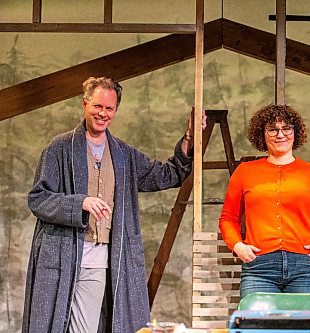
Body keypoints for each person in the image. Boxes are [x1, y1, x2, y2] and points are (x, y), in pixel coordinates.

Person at [22, 77, 206, 333]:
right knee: (49, 324)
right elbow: (38, 198)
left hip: (98, 255)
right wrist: (80, 203)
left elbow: (166, 174)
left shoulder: (122, 153)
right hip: (60, 252)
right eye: (98, 106)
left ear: (116, 111)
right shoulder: (59, 148)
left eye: (109, 109)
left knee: (84, 328)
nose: (103, 113)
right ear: (85, 104)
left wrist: (189, 137)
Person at [219, 104, 310, 298]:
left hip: (307, 266)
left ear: (295, 132)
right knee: (255, 326)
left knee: (306, 327)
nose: (280, 134)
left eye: (286, 128)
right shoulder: (244, 172)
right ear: (262, 134)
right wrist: (238, 246)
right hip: (259, 268)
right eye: (272, 129)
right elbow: (228, 218)